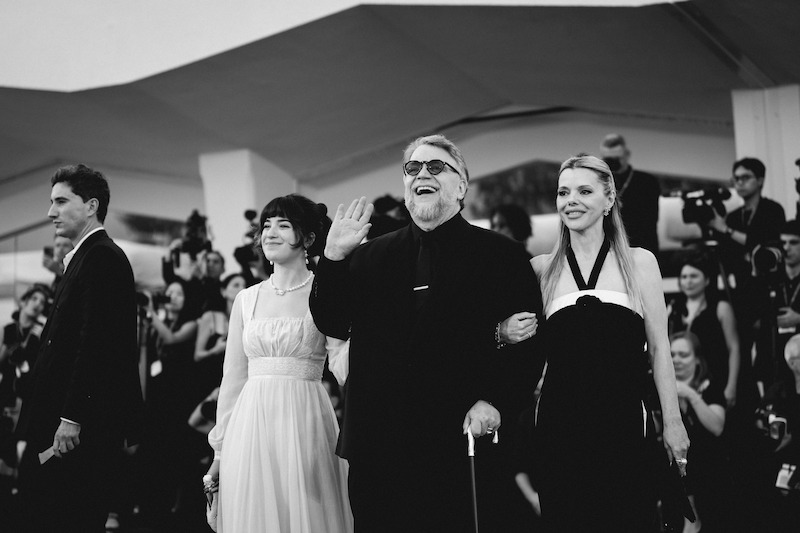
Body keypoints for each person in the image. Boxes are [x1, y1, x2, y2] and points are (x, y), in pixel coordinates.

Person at [310, 134, 543, 532]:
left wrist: (496, 401)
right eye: (412, 168)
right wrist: (332, 259)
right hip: (379, 444)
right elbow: (331, 321)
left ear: (461, 186)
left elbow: (529, 344)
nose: (423, 173)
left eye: (436, 166)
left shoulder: (501, 256)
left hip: (455, 436)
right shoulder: (370, 256)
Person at [505, 154, 688, 531]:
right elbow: (515, 350)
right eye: (563, 192)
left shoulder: (640, 264)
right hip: (559, 428)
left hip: (624, 425)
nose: (570, 200)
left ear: (609, 200)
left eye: (584, 191)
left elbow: (660, 350)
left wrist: (673, 422)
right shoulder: (540, 269)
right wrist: (503, 332)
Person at [206, 194, 352, 533]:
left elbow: (344, 363)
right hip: (250, 426)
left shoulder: (324, 290)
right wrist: (219, 452)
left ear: (309, 239)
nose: (270, 233)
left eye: (283, 225)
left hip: (306, 422)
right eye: (266, 226)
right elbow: (233, 379)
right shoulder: (246, 299)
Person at [15, 164, 144, 533]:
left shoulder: (101, 256)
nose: (50, 212)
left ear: (91, 206)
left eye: (60, 201)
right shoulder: (86, 256)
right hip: (62, 419)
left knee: (69, 516)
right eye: (50, 202)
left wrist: (72, 418)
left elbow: (98, 345)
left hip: (76, 427)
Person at [670, 331, 729, 533]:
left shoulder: (710, 387)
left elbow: (717, 427)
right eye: (672, 354)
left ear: (697, 359)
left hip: (710, 472)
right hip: (678, 472)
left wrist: (690, 394)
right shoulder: (663, 391)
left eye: (683, 355)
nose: (676, 360)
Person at [667, 252, 740, 407]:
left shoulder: (720, 308)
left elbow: (734, 348)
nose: (688, 281)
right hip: (684, 380)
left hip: (716, 379)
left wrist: (731, 386)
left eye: (694, 276)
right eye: (684, 277)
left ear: (707, 280)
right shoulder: (674, 308)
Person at [599, 133, 661, 255]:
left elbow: (649, 222)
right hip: (609, 248)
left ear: (627, 155)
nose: (613, 163)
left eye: (616, 159)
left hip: (641, 247)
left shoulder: (646, 182)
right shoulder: (599, 182)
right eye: (608, 160)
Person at [194, 272, 247, 397]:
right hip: (210, 379)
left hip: (236, 381)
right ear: (223, 291)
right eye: (236, 285)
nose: (242, 289)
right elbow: (197, 355)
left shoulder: (248, 319)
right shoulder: (211, 316)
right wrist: (215, 350)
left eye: (244, 285)